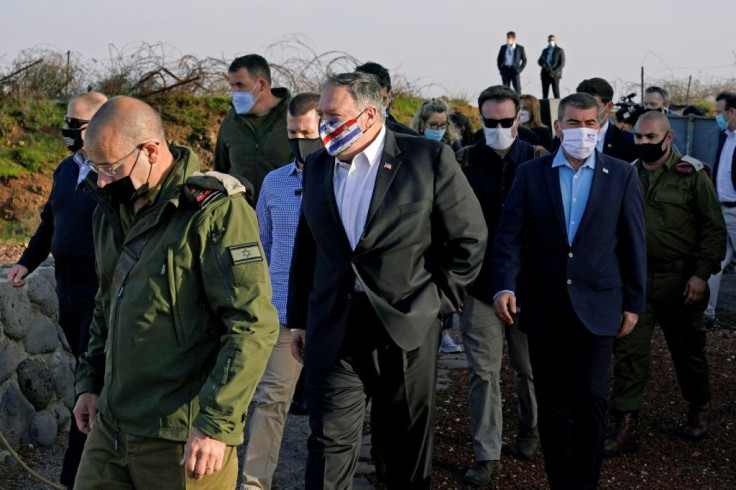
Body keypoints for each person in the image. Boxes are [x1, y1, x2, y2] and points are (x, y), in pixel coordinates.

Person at [287, 72, 487, 488]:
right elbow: (308, 247)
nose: (322, 123)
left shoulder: (426, 160)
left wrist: (437, 305)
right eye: (320, 114)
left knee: (401, 449)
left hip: (405, 327)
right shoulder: (318, 165)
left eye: (332, 114)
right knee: (327, 446)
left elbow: (469, 239)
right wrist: (299, 317)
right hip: (335, 326)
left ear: (369, 115)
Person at [72, 96, 279, 489]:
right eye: (93, 166)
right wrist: (89, 382)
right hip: (112, 426)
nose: (100, 180)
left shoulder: (214, 213)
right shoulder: (111, 210)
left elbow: (252, 325)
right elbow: (106, 304)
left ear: (150, 150)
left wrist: (216, 423)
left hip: (181, 438)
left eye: (109, 167)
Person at [492, 93, 646, 489]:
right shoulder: (532, 173)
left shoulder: (622, 175)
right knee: (554, 405)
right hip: (546, 307)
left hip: (600, 304)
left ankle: (586, 482)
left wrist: (634, 301)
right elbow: (510, 236)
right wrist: (504, 285)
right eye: (573, 123)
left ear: (601, 126)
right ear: (558, 127)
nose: (581, 131)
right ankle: (559, 481)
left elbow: (634, 243)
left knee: (592, 399)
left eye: (589, 123)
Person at [604, 111, 725, 457]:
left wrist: (701, 274)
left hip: (680, 280)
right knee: (629, 351)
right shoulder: (627, 174)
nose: (642, 143)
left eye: (650, 138)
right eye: (638, 138)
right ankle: (626, 423)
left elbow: (713, 229)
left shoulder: (692, 175)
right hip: (638, 281)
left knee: (688, 349)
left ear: (668, 138)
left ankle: (699, 405)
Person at [7, 91, 107, 488]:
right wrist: (26, 262)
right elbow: (51, 222)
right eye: (67, 120)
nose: (68, 129)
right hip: (68, 293)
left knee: (91, 385)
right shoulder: (66, 170)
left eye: (77, 124)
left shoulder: (114, 175)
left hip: (101, 299)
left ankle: (76, 475)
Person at [456, 85, 543, 486]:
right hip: (479, 284)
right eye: (490, 122)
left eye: (506, 121)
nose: (498, 128)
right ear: (480, 118)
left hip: (528, 285)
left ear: (519, 118)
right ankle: (486, 453)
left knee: (528, 369)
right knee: (483, 373)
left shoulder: (539, 159)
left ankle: (530, 428)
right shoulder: (465, 161)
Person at [242, 93, 322, 490]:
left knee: (332, 409)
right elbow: (262, 246)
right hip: (283, 314)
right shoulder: (274, 184)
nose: (300, 141)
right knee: (270, 401)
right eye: (293, 133)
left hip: (330, 311)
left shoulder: (344, 181)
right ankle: (255, 484)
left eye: (308, 133)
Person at [214, 54, 292, 201]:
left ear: (261, 85)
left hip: (280, 215)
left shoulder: (293, 120)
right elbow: (220, 172)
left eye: (240, 85)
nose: (234, 92)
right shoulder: (230, 122)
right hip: (240, 217)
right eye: (232, 85)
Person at [552, 78, 638, 163]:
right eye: (580, 106)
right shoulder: (563, 137)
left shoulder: (627, 142)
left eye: (593, 106)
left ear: (609, 106)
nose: (585, 112)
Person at [706, 92, 736, 326]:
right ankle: (707, 312)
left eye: (719, 112)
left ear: (732, 112)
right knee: (715, 260)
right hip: (721, 209)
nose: (716, 116)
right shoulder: (725, 136)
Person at [355, 61, 419, 136]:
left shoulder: (411, 139)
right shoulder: (341, 134)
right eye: (369, 99)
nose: (375, 107)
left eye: (381, 99)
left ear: (389, 97)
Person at [537, 34, 565, 99]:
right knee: (545, 93)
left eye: (552, 40)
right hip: (545, 74)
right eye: (549, 40)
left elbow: (562, 64)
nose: (551, 41)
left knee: (556, 92)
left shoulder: (559, 50)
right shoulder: (545, 51)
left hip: (555, 75)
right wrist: (543, 65)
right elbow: (539, 61)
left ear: (555, 40)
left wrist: (554, 72)